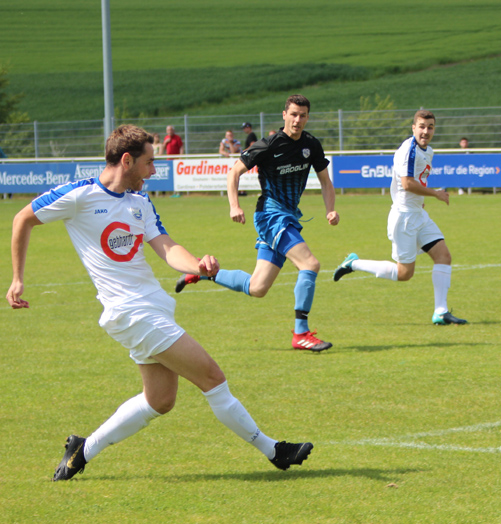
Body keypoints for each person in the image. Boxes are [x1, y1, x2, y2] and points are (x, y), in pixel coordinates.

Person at [6, 125, 312, 481]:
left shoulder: (139, 202)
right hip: (130, 313)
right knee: (212, 377)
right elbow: (22, 218)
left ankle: (82, 449)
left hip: (154, 306)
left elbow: (166, 247)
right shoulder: (80, 196)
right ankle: (273, 450)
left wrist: (198, 265)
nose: (153, 171)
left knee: (160, 401)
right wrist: (17, 278)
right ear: (126, 160)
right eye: (149, 163)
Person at [175, 95, 339, 352]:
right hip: (271, 215)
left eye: (303, 115)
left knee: (258, 287)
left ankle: (204, 273)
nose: (297, 120)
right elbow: (234, 172)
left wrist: (331, 210)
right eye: (293, 114)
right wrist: (234, 205)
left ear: (307, 117)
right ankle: (301, 334)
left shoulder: (311, 145)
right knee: (310, 264)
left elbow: (326, 182)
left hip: (287, 216)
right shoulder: (268, 144)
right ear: (284, 114)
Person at [332, 109, 467, 326]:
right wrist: (436, 194)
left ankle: (440, 312)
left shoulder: (427, 150)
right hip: (403, 218)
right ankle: (354, 263)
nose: (425, 131)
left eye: (430, 127)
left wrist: (422, 200)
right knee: (404, 274)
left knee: (443, 256)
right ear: (413, 127)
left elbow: (414, 183)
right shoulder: (409, 150)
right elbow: (406, 183)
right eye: (421, 126)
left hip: (418, 215)